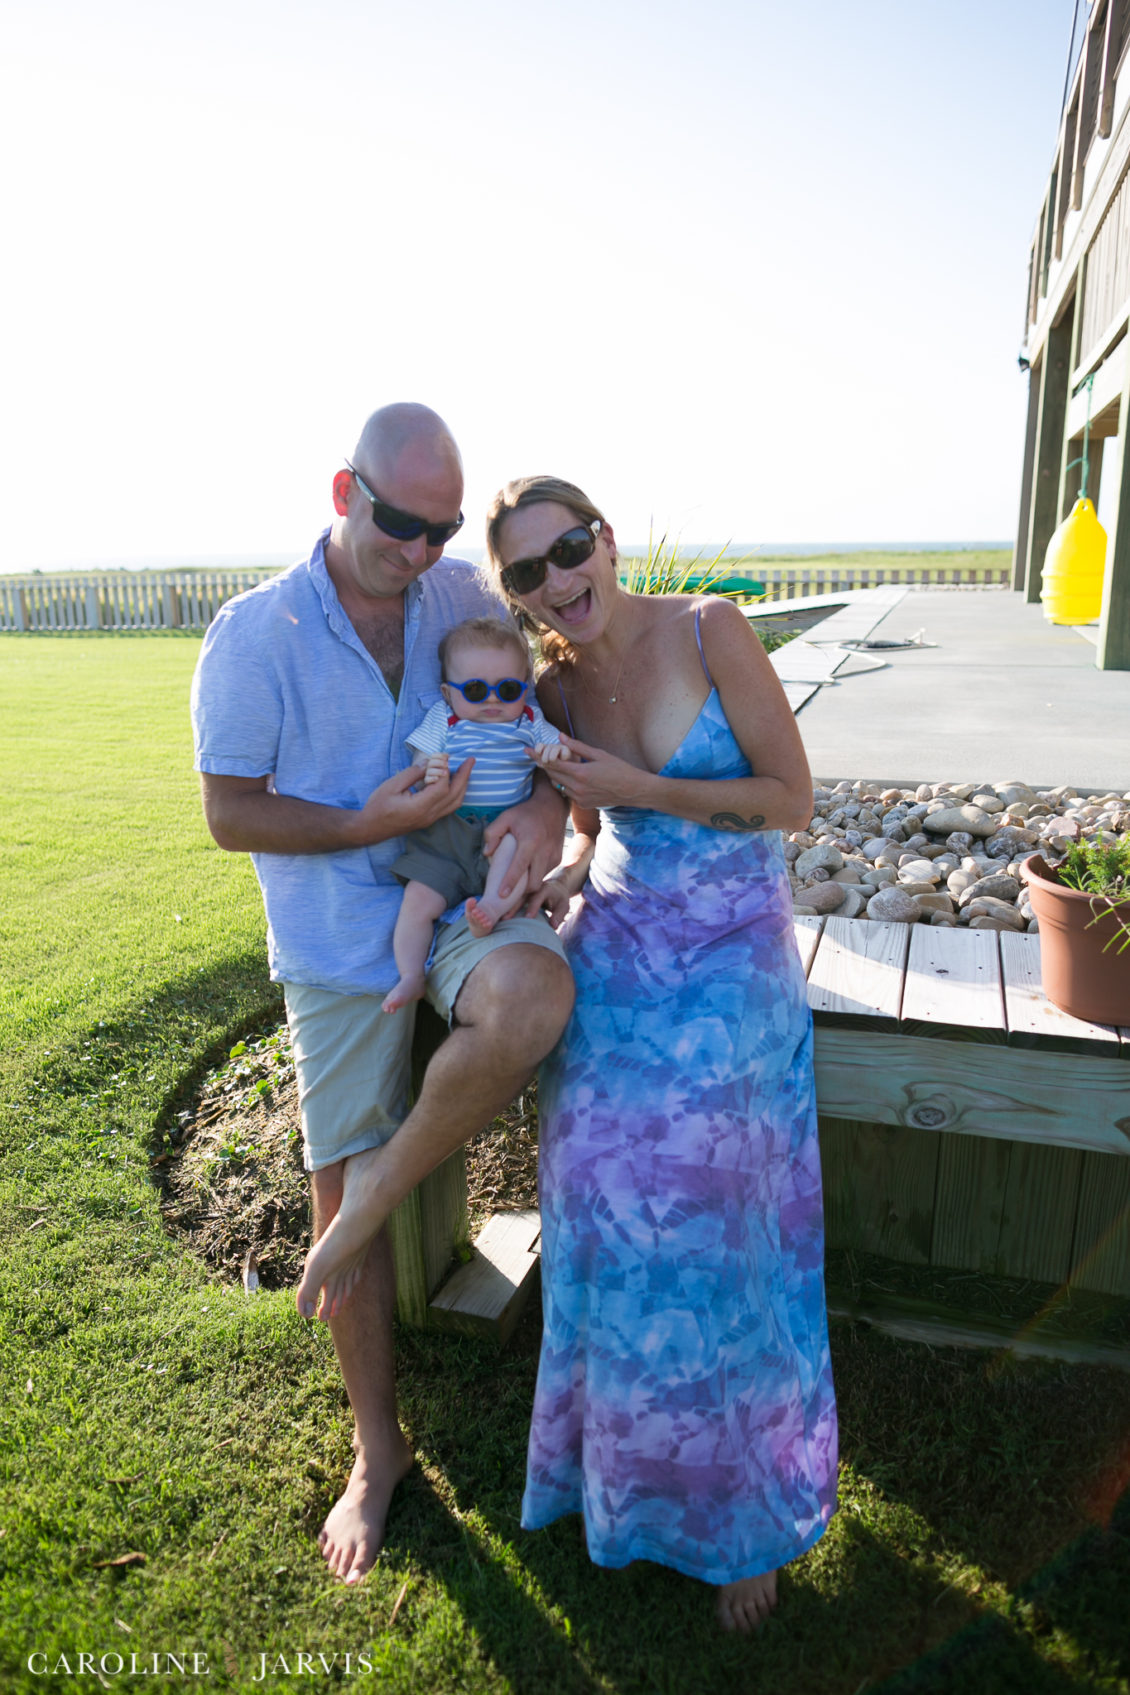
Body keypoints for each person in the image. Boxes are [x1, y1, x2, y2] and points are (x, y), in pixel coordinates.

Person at [190, 406, 573, 1586]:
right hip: (334, 938)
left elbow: (536, 743)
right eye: (402, 524)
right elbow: (229, 811)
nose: (420, 553)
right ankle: (376, 1453)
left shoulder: (459, 595)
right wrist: (367, 822)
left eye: (441, 526)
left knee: (533, 1000)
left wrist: (535, 827)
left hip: (457, 905)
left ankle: (368, 1205)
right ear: (343, 490)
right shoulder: (255, 634)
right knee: (332, 1165)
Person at [484, 475, 838, 1635]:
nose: (557, 581)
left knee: (715, 1217)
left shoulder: (709, 629)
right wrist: (565, 871)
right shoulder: (551, 687)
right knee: (590, 1198)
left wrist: (644, 786)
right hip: (621, 941)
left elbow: (789, 800)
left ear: (606, 539)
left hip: (733, 945)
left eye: (567, 549)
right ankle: (622, 1488)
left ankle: (744, 1514)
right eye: (526, 572)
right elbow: (591, 825)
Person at [382, 616, 573, 1015]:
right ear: (448, 694)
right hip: (446, 835)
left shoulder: (529, 722)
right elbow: (423, 760)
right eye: (474, 689)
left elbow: (561, 750)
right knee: (418, 900)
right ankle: (411, 975)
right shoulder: (443, 720)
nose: (492, 700)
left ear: (525, 689)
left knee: (516, 859)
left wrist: (556, 755)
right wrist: (431, 769)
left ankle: (491, 907)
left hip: (505, 826)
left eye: (507, 689)